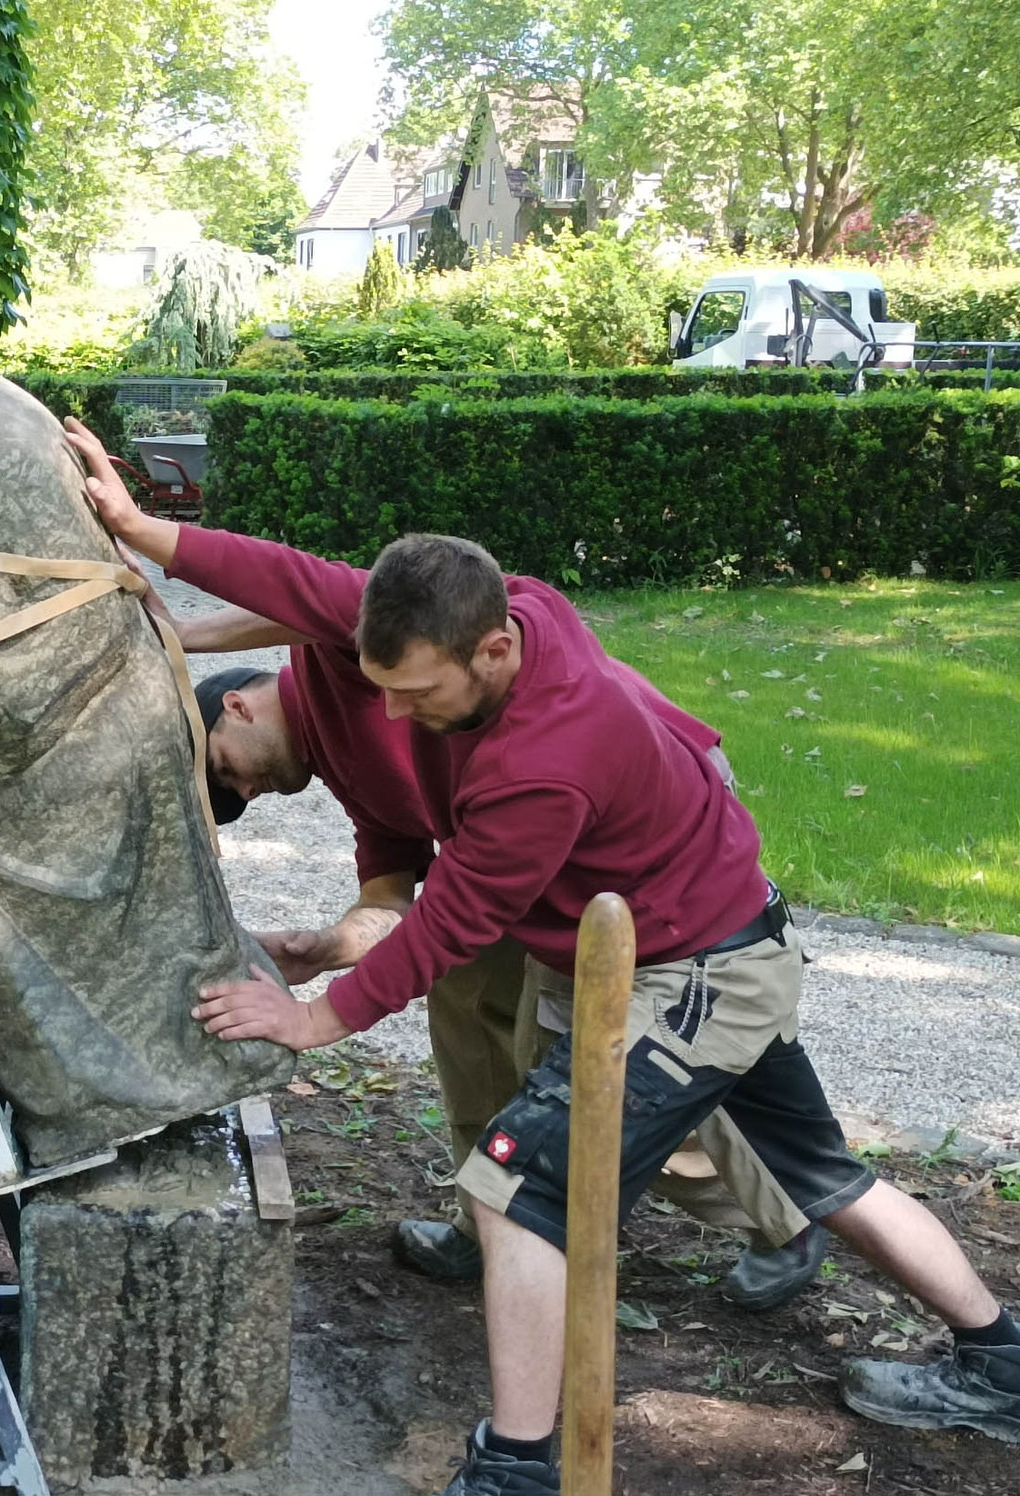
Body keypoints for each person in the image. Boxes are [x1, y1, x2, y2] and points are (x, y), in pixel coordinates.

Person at [66, 426, 1020, 1493]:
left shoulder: (542, 759)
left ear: (491, 655)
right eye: (379, 686)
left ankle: (515, 1467)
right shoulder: (497, 606)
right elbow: (305, 584)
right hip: (718, 940)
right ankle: (999, 1358)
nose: (393, 714)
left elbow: (452, 923)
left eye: (415, 694)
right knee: (824, 1176)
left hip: (687, 972)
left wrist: (315, 1013)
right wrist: (145, 532)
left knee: (514, 1186)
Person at [182, 656, 822, 1311]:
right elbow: (393, 888)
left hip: (617, 829)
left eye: (229, 771)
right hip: (512, 863)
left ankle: (788, 1217)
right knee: (465, 994)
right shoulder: (337, 754)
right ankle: (485, 1214)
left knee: (623, 1060)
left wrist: (178, 614)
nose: (249, 791)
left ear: (237, 706)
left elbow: (303, 590)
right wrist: (330, 947)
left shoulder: (346, 664)